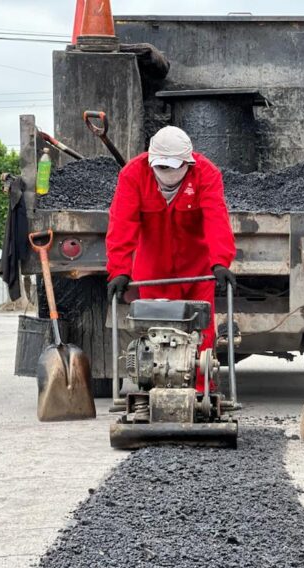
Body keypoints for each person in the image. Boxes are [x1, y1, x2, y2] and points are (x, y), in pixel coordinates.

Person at [105, 126, 236, 391]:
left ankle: (200, 389)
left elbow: (216, 219)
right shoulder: (133, 174)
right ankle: (157, 386)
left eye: (173, 167)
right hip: (153, 271)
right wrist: (119, 270)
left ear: (188, 163)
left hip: (196, 268)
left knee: (201, 330)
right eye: (161, 167)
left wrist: (220, 261)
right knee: (154, 330)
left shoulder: (206, 174)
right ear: (151, 162)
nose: (167, 173)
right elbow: (121, 224)